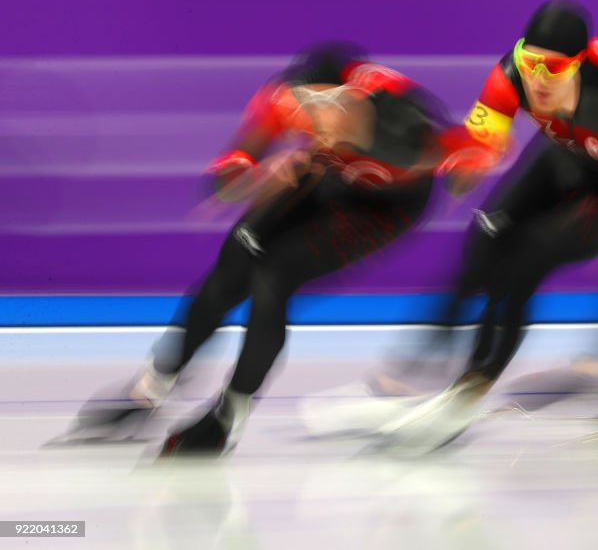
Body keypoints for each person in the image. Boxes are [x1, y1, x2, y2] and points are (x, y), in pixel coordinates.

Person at [68, 43, 464, 456]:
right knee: (228, 273)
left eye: (333, 104)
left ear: (360, 100)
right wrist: (255, 176)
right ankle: (149, 389)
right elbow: (226, 176)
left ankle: (230, 413)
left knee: (273, 278)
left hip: (386, 207)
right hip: (321, 175)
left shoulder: (403, 127)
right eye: (309, 102)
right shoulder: (282, 101)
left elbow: (470, 150)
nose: (317, 114)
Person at [374, 0, 598, 451]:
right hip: (569, 155)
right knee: (487, 234)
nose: (537, 78)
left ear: (580, 63)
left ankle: (471, 387)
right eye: (530, 61)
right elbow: (485, 136)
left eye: (552, 68)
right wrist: (472, 155)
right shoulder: (511, 73)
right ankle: (420, 364)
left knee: (526, 258)